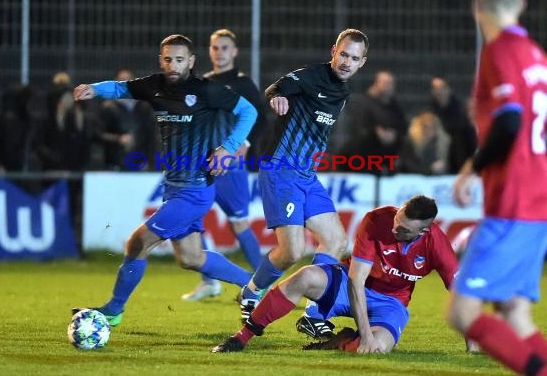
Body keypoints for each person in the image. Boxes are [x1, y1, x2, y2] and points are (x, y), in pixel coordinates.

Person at [71, 34, 258, 326]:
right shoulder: (153, 86)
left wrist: (227, 148)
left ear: (191, 61)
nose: (173, 65)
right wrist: (94, 89)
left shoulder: (206, 90)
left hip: (195, 190)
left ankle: (114, 309)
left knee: (137, 243)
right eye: (168, 59)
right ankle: (253, 287)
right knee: (191, 258)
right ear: (161, 59)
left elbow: (249, 111)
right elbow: (121, 88)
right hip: (174, 187)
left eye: (180, 59)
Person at [447, 0, 547, 375]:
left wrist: (472, 167)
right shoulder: (536, 55)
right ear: (521, 3)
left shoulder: (499, 50)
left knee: (463, 314)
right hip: (537, 203)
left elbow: (509, 120)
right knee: (514, 313)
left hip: (512, 204)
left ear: (476, 3)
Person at [212, 195, 465, 353]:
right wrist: (364, 334)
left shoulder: (437, 245)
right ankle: (241, 338)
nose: (394, 228)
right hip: (349, 284)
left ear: (422, 232)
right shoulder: (376, 220)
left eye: (403, 230)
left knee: (377, 350)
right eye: (396, 220)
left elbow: (460, 295)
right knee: (305, 276)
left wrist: (472, 346)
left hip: (391, 302)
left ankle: (340, 341)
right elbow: (356, 280)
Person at [236, 29, 368, 326]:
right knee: (292, 250)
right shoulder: (311, 76)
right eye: (344, 54)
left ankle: (313, 314)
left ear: (362, 62)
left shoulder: (343, 93)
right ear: (334, 50)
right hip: (280, 169)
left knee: (336, 241)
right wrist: (278, 98)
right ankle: (252, 292)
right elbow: (275, 88)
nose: (347, 62)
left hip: (306, 175)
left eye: (354, 58)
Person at [181, 29, 263, 301]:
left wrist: (245, 146)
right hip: (203, 164)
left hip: (231, 166)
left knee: (239, 223)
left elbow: (260, 120)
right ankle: (209, 282)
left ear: (235, 51)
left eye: (225, 47)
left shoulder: (243, 84)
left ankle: (263, 283)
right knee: (191, 218)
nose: (220, 52)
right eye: (215, 48)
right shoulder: (204, 83)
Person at [428, 76, 477, 173]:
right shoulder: (429, 112)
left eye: (442, 88)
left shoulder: (460, 111)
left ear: (449, 89)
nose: (439, 92)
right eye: (436, 89)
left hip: (458, 155)